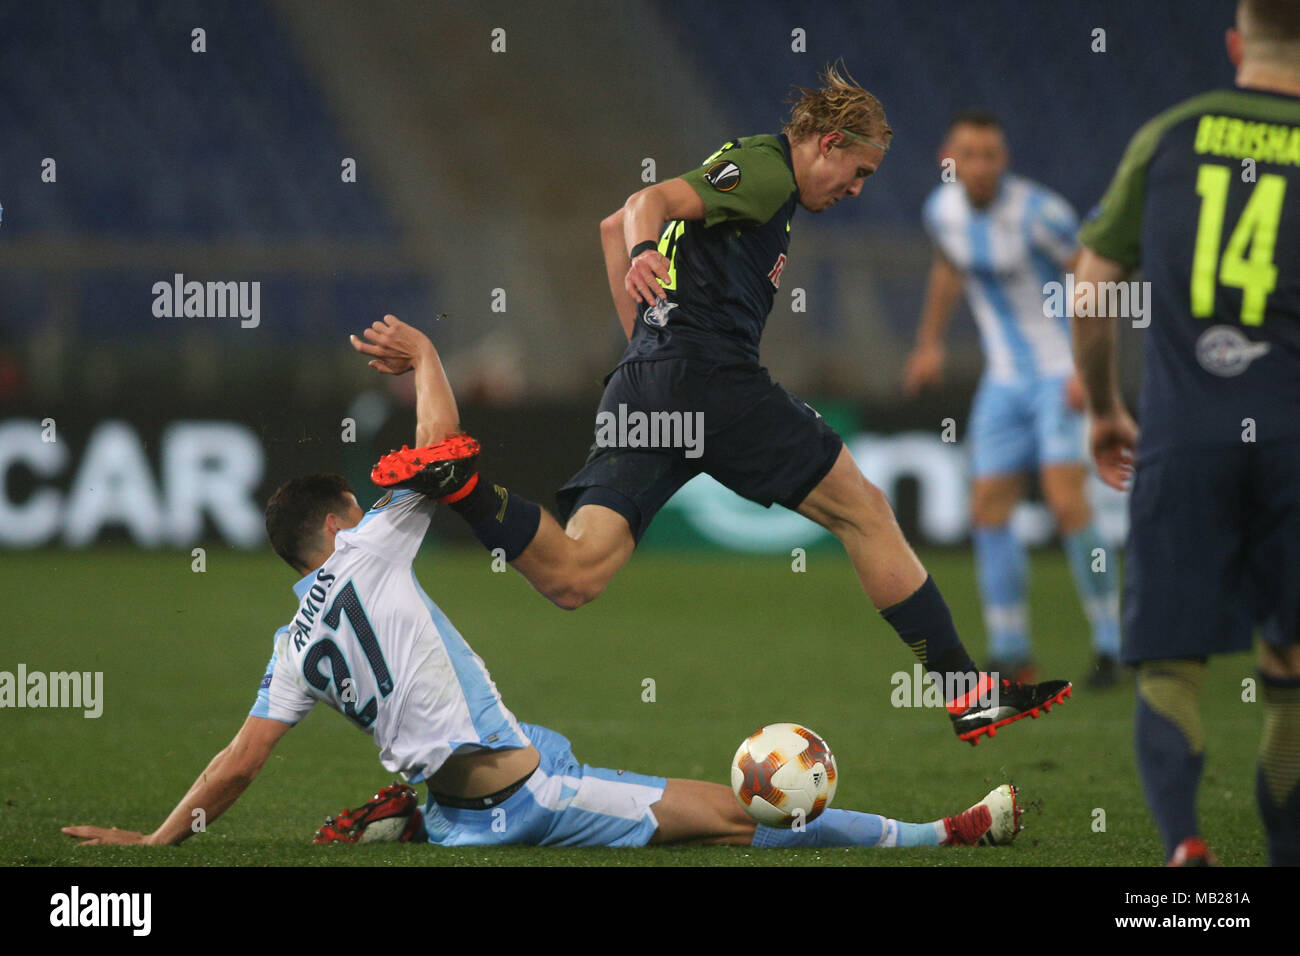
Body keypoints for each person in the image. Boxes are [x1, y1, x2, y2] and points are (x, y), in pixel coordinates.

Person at [61, 324, 1022, 852]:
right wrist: (430, 357)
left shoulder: (289, 648)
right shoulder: (369, 546)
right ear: (341, 516)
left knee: (485, 757)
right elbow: (440, 456)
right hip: (529, 799)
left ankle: (414, 805)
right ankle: (944, 832)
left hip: (460, 806)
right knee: (739, 817)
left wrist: (156, 841)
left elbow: (237, 765)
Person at [368, 63, 1072, 746]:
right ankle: (967, 694)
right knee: (865, 512)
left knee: (576, 574)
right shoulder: (767, 170)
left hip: (649, 384)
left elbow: (609, 228)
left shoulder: (755, 177)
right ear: (828, 144)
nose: (858, 189)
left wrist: (645, 346)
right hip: (714, 380)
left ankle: (462, 486)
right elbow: (639, 211)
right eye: (858, 171)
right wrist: (652, 264)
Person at [1071, 0, 1300, 865]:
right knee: (1291, 675)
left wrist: (1103, 409)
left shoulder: (1172, 133)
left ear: (1238, 45)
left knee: (1170, 667)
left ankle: (1186, 851)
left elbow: (1091, 291)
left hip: (1182, 437)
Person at [903, 112, 1121, 688]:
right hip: (1003, 380)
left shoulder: (1041, 213)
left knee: (1066, 502)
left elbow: (1093, 279)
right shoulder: (941, 212)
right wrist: (929, 343)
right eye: (969, 154)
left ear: (1005, 159)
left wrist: (1088, 368)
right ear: (948, 158)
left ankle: (1113, 645)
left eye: (992, 154)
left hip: (1058, 375)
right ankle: (1009, 649)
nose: (981, 165)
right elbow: (949, 268)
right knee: (987, 509)